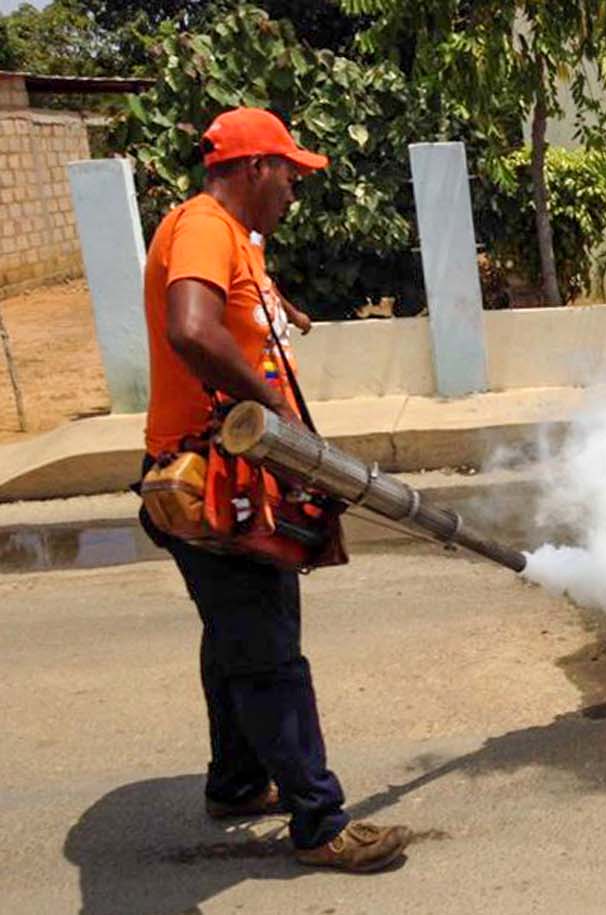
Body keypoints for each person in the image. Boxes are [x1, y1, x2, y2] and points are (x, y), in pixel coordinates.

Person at [140, 107, 409, 873]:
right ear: (253, 167)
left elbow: (231, 299)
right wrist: (279, 417)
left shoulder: (232, 237)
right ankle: (319, 821)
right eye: (289, 171)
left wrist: (276, 305)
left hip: (217, 475)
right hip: (212, 481)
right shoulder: (201, 226)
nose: (295, 186)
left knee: (234, 638)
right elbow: (192, 327)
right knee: (268, 651)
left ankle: (235, 782)